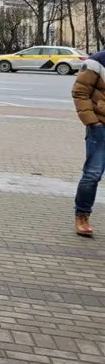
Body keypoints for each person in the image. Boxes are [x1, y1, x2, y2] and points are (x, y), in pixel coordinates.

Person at [71, 50, 105, 237]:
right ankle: (82, 214)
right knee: (93, 173)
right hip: (100, 127)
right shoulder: (97, 61)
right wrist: (93, 122)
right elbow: (80, 92)